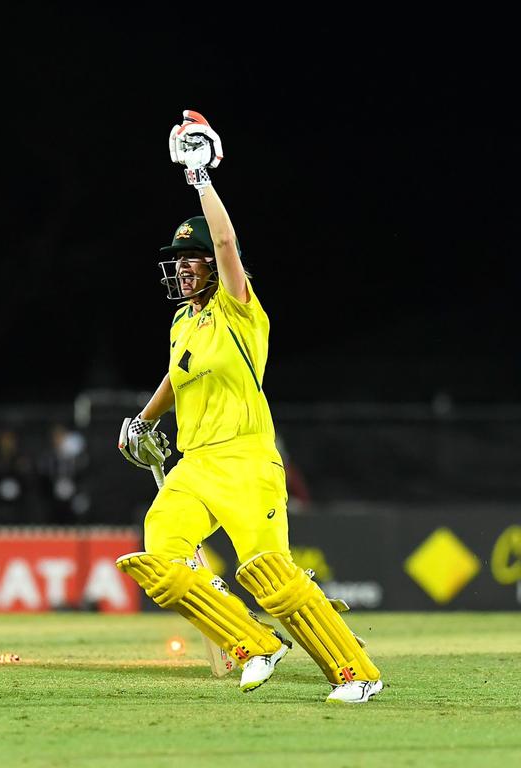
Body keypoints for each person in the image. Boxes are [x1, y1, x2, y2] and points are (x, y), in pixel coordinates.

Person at [116, 111, 383, 703]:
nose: (183, 267)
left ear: (212, 267)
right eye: (177, 261)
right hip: (194, 464)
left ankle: (358, 673)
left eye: (192, 259)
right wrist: (144, 419)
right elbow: (175, 377)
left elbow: (228, 241)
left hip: (246, 461)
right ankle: (255, 644)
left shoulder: (239, 308)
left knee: (269, 574)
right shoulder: (182, 322)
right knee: (157, 557)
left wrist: (200, 177)